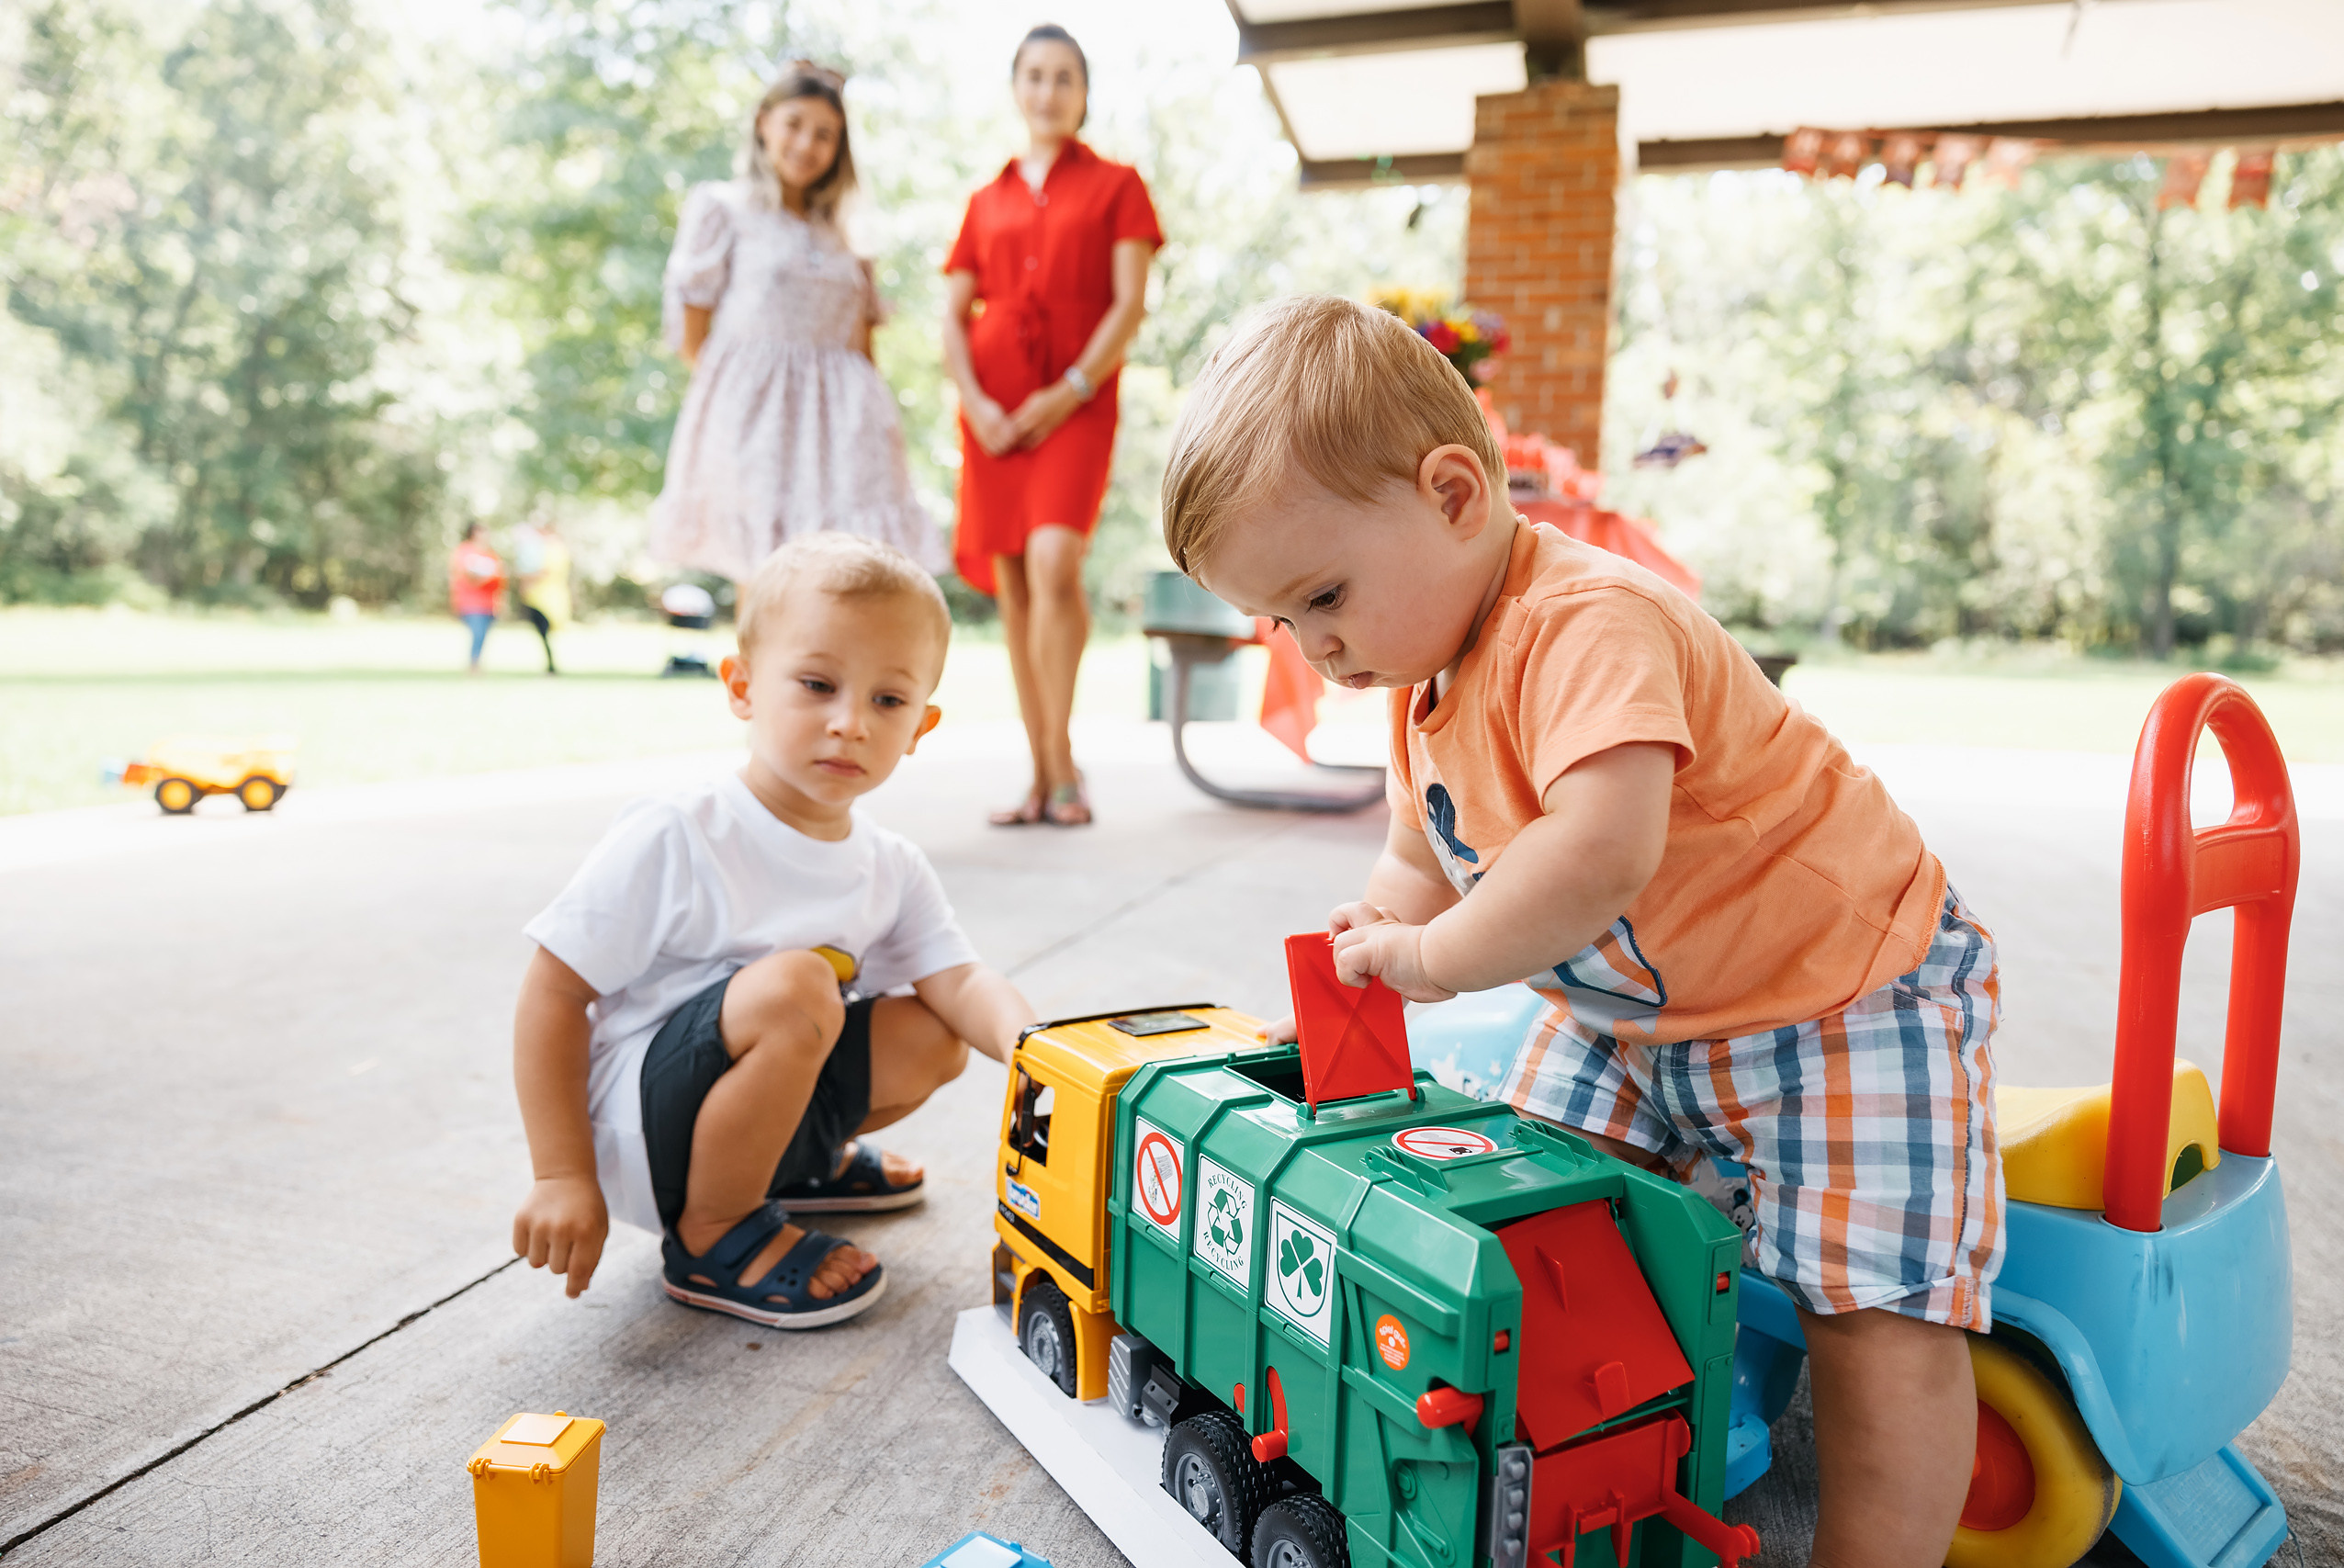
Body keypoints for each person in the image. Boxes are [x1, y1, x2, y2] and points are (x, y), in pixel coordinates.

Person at [1159, 296, 1999, 1568]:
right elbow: (1420, 851)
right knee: (1518, 1208)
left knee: (1876, 1317)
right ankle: (1587, 1471)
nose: (1315, 647)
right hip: (1636, 1023)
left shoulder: (1586, 619)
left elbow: (1600, 849)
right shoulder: (1416, 676)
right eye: (1283, 620)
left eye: (1323, 593)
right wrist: (1383, 925)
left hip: (1839, 992)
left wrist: (1433, 962)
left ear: (1452, 493)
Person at [510, 534, 1033, 1327]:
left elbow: (959, 980)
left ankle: (787, 1168)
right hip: (644, 1130)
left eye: (887, 701)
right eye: (818, 685)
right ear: (743, 686)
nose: (850, 722)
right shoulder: (681, 830)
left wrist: (1041, 1051)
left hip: (748, 1090)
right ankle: (713, 1233)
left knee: (934, 1033)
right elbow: (552, 992)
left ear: (921, 725)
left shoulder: (888, 862)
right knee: (798, 985)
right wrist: (560, 1173)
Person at [941, 25, 1162, 827]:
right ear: (1016, 86)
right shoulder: (985, 199)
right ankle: (1039, 774)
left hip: (1074, 406)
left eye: (1064, 76)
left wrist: (1068, 389)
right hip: (994, 417)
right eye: (1035, 75)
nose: (1048, 90)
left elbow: (1128, 304)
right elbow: (951, 314)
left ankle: (1062, 761)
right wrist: (977, 403)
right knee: (1012, 587)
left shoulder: (1118, 186)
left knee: (1053, 560)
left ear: (1083, 92)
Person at [651, 62, 947, 588]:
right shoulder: (723, 207)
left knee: (839, 575)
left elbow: (861, 343)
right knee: (765, 573)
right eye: (794, 124)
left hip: (846, 428)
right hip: (757, 419)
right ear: (764, 122)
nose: (806, 144)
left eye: (824, 134)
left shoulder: (847, 236)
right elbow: (692, 332)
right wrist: (740, 400)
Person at [511, 518, 573, 675]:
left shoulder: (555, 549)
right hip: (539, 597)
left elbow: (545, 572)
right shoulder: (543, 548)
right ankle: (550, 665)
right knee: (543, 632)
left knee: (545, 631)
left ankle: (551, 666)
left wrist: (524, 578)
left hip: (548, 598)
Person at [449, 522, 502, 675]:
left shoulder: (491, 553)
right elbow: (466, 575)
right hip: (470, 602)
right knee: (477, 633)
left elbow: (500, 577)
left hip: (489, 603)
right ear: (474, 533)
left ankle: (477, 663)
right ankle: (473, 666)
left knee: (483, 635)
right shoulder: (464, 551)